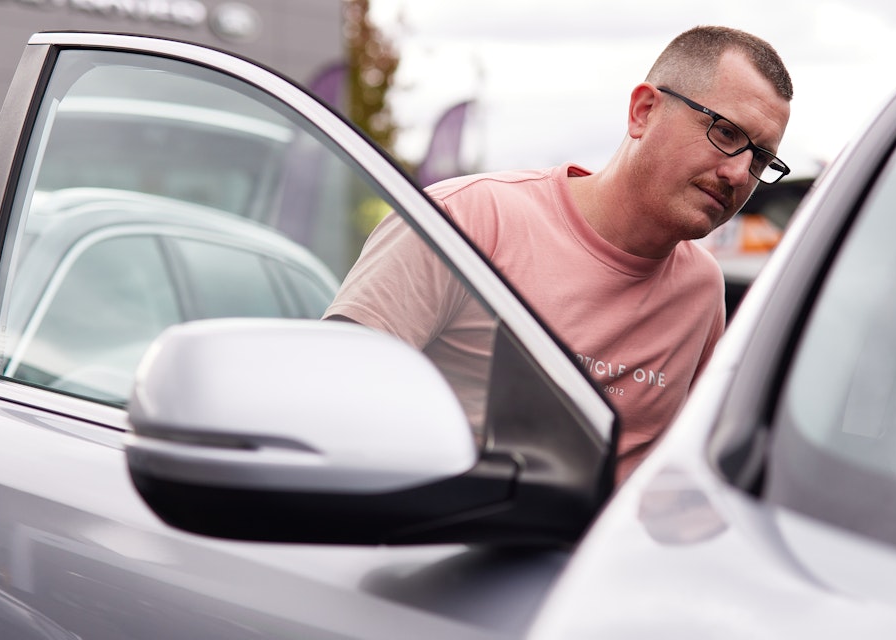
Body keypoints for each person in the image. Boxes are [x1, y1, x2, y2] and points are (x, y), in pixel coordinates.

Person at [325, 25, 793, 483]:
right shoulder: (461, 222)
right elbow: (329, 405)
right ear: (644, 111)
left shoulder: (701, 289)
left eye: (759, 159)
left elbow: (685, 476)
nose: (738, 173)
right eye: (726, 133)